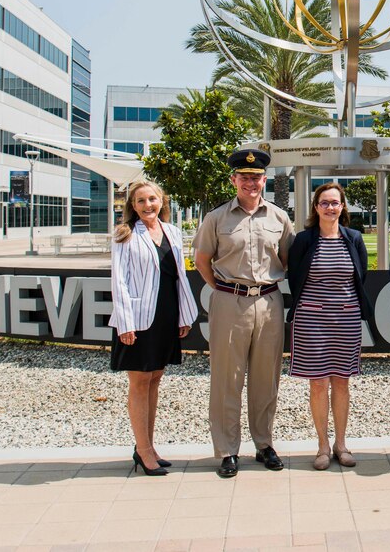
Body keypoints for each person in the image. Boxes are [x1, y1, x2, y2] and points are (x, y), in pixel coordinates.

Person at [194, 149, 294, 478]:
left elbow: (288, 259)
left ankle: (264, 444)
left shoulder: (279, 218)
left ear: (265, 180)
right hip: (229, 302)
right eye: (244, 177)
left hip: (268, 301)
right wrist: (226, 288)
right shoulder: (217, 218)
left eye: (256, 177)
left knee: (267, 378)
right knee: (227, 378)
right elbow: (203, 261)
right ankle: (227, 450)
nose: (250, 183)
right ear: (233, 179)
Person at [109, 181, 198, 476]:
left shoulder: (172, 232)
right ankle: (143, 450)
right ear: (132, 206)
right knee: (139, 381)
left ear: (162, 201)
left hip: (167, 315)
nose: (148, 205)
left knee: (156, 377)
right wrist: (125, 323)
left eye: (152, 199)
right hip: (138, 317)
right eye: (141, 201)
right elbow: (118, 281)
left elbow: (179, 277)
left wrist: (184, 315)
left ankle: (147, 445)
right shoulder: (124, 236)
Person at [287, 182, 372, 470]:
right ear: (316, 207)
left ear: (343, 206)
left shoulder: (354, 238)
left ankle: (341, 445)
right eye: (324, 202)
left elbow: (361, 274)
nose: (330, 207)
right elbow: (294, 277)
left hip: (346, 319)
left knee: (342, 382)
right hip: (312, 319)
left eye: (335, 202)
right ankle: (322, 446)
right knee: (319, 383)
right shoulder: (304, 240)